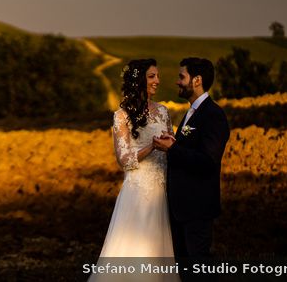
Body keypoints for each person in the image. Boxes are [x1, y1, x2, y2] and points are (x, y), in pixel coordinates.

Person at [90, 59, 178, 281]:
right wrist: (152, 147)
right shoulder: (121, 115)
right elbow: (124, 159)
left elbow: (172, 146)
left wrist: (171, 142)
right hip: (138, 191)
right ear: (139, 80)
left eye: (157, 76)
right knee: (135, 248)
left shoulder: (163, 111)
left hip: (162, 188)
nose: (157, 81)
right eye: (152, 76)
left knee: (158, 249)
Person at [153, 57, 230, 279]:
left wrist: (172, 150)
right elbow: (190, 149)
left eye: (181, 77)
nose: (177, 82)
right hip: (181, 209)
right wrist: (174, 144)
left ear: (197, 80)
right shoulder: (192, 112)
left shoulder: (213, 115)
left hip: (197, 208)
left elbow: (208, 161)